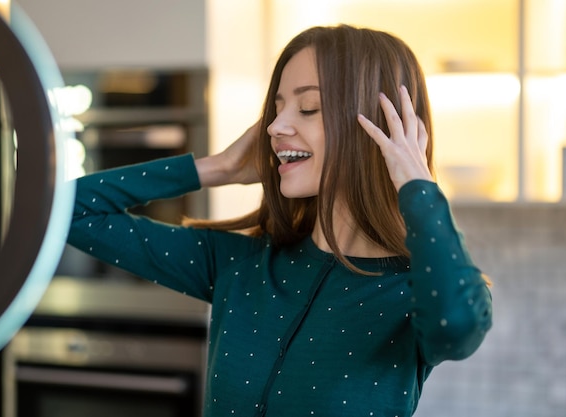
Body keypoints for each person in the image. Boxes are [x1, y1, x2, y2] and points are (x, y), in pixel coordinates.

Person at [68, 24, 492, 417]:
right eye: (277, 108)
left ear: (379, 131)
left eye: (308, 108)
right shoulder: (242, 263)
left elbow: (457, 325)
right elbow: (66, 211)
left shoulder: (410, 292)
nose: (275, 126)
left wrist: (416, 186)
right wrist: (216, 168)